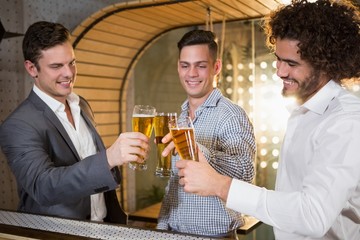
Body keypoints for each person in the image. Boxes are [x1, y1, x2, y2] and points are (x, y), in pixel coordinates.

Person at [174, 0, 360, 239]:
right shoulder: (304, 112)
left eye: (291, 63)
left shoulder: (346, 121)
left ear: (326, 64)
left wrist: (220, 184)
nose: (279, 71)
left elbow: (312, 215)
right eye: (278, 59)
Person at [0, 21, 150, 224]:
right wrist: (108, 158)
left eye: (71, 62)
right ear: (31, 68)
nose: (69, 73)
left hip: (105, 226)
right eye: (56, 66)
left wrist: (120, 158)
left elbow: (91, 167)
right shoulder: (18, 125)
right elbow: (44, 187)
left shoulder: (82, 105)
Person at [156, 29, 256, 237]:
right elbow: (173, 184)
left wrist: (196, 149)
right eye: (185, 66)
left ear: (216, 67)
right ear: (179, 67)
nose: (191, 74)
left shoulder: (231, 115)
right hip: (174, 234)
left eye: (200, 66)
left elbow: (246, 174)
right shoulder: (180, 118)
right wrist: (162, 228)